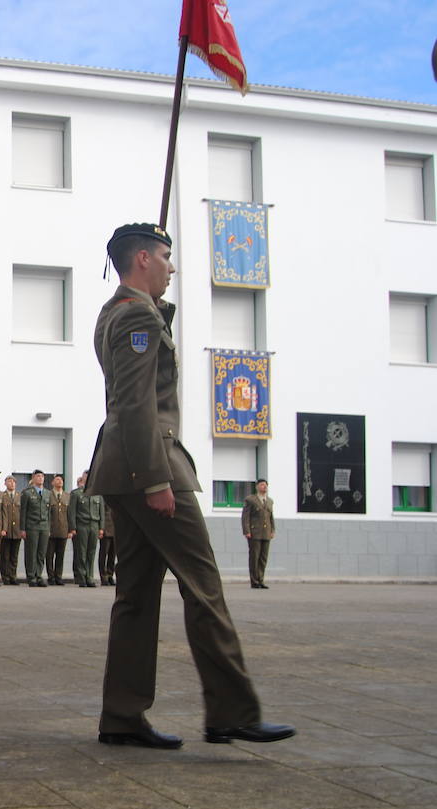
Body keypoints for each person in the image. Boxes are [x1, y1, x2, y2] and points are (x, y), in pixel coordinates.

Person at [88, 222, 294, 748]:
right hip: (151, 463)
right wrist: (156, 478)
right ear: (141, 261)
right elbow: (136, 403)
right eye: (165, 256)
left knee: (135, 595)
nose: (171, 267)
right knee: (204, 587)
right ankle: (233, 711)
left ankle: (122, 715)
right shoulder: (135, 314)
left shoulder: (116, 312)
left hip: (123, 463)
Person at [68, 470, 104, 588]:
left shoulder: (97, 494)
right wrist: (72, 527)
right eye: (86, 476)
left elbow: (101, 512)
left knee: (91, 552)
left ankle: (90, 576)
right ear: (82, 478)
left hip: (94, 524)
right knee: (81, 552)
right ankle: (82, 576)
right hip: (81, 524)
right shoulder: (76, 493)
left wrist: (101, 528)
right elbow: (71, 512)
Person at [242, 479, 276, 589]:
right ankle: (254, 581)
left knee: (263, 558)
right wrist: (247, 531)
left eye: (266, 485)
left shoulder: (269, 501)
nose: (264, 487)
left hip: (266, 533)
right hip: (254, 533)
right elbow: (245, 517)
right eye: (262, 485)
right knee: (254, 557)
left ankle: (261, 579)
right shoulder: (250, 500)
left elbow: (271, 517)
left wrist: (272, 530)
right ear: (257, 487)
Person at [19, 470, 51, 587]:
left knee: (41, 553)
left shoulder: (48, 493)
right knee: (31, 552)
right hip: (31, 526)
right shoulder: (27, 493)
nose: (40, 478)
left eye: (42, 476)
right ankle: (31, 576)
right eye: (38, 476)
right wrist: (22, 529)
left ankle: (39, 575)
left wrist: (49, 527)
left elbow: (49, 513)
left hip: (44, 526)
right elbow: (23, 511)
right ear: (33, 478)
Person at [44, 474, 73, 585]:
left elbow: (69, 514)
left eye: (61, 480)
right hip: (51, 530)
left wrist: (70, 530)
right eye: (57, 479)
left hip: (63, 530)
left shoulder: (67, 496)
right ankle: (51, 577)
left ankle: (58, 576)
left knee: (60, 555)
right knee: (49, 555)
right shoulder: (48, 495)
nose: (59, 481)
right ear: (52, 482)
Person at [0, 475, 21, 585]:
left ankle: (13, 576)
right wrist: (3, 528)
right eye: (9, 481)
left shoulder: (19, 496)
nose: (12, 483)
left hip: (17, 530)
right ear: (5, 483)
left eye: (13, 482)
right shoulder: (2, 496)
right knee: (5, 555)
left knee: (14, 556)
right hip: (6, 530)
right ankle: (5, 576)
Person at [99, 503, 117, 586]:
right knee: (103, 554)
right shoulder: (103, 497)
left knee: (112, 555)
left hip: (115, 529)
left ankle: (110, 575)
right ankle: (103, 576)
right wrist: (101, 528)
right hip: (106, 528)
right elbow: (101, 513)